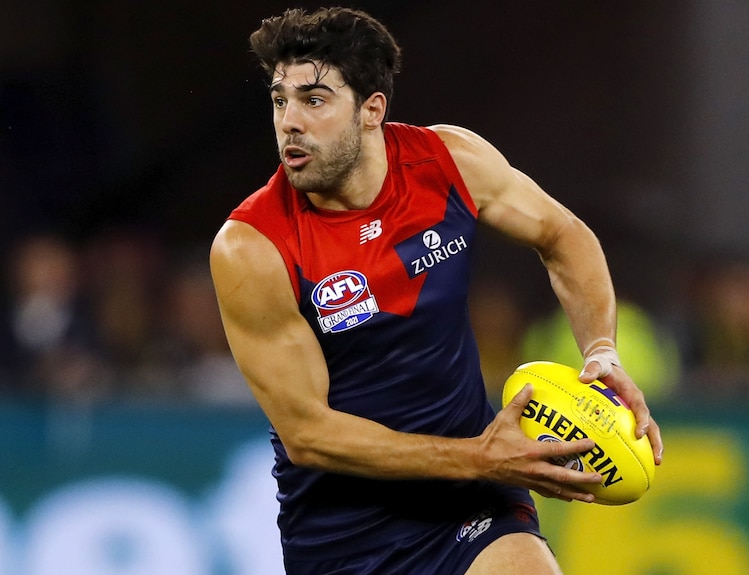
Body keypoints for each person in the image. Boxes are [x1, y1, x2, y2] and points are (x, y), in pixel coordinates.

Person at [209, 7, 663, 575]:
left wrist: (601, 350)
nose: (290, 121)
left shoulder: (448, 162)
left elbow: (562, 234)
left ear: (372, 109)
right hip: (345, 533)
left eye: (315, 99)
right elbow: (310, 435)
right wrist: (481, 457)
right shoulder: (253, 247)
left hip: (474, 507)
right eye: (280, 100)